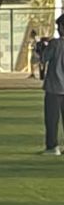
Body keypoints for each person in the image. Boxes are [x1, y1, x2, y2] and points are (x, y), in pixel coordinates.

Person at [43, 14, 64, 155]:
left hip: (55, 87)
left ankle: (52, 147)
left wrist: (41, 48)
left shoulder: (55, 44)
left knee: (51, 119)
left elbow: (43, 58)